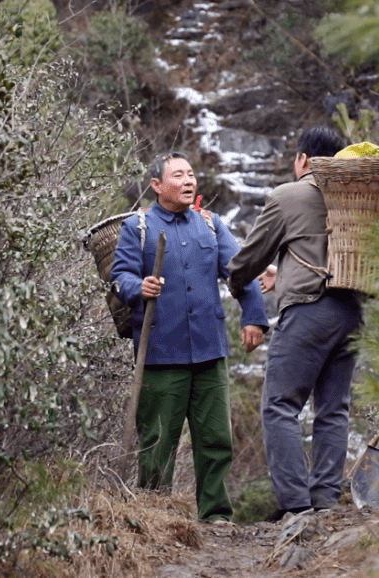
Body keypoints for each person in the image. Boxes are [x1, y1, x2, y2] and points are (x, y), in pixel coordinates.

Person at [111, 151, 268, 523]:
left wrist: (254, 318)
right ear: (156, 185)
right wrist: (140, 286)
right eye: (178, 175)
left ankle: (215, 515)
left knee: (216, 439)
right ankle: (154, 514)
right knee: (157, 441)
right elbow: (119, 276)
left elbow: (240, 272)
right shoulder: (139, 227)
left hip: (209, 350)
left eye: (191, 174)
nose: (188, 180)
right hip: (160, 352)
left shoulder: (211, 227)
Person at [227, 126, 364, 522]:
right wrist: (281, 274)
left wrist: (237, 280)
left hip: (308, 310)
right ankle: (323, 500)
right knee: (333, 409)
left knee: (279, 406)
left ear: (304, 160)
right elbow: (316, 250)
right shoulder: (352, 200)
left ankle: (294, 504)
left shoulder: (289, 195)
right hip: (351, 312)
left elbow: (250, 256)